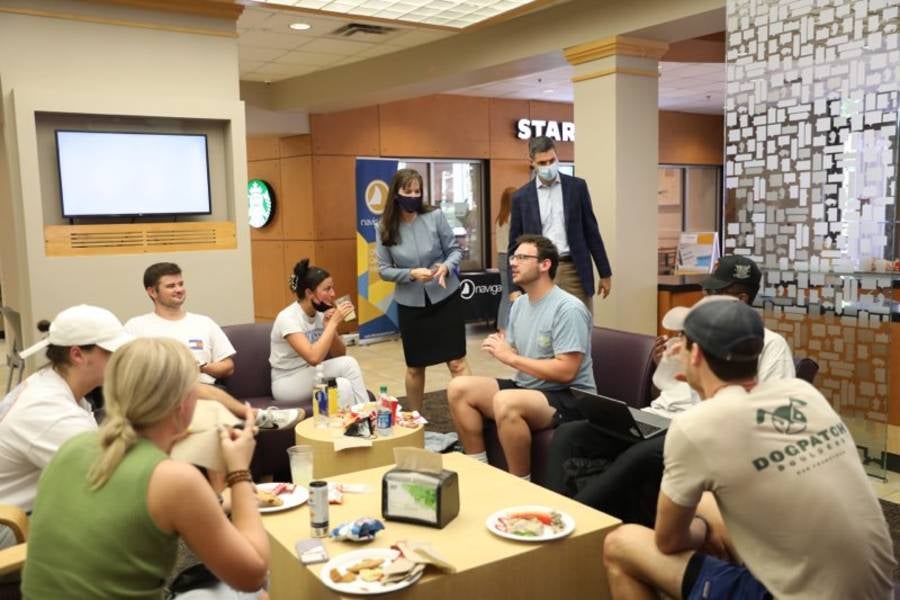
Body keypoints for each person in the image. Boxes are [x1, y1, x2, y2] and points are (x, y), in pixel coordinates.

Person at [602, 300, 895, 600]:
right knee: (704, 504)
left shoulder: (694, 426)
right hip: (879, 589)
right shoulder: (803, 393)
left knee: (620, 545)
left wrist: (701, 530)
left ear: (696, 355)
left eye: (685, 342)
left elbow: (668, 542)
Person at [546, 256, 795, 524]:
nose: (703, 298)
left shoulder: (770, 345)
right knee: (571, 433)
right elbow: (660, 396)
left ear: (741, 299)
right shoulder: (696, 333)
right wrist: (658, 367)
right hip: (655, 419)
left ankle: (564, 522)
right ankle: (547, 507)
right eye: (705, 290)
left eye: (712, 293)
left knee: (638, 457)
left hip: (699, 433)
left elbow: (769, 417)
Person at [22, 338, 270, 599]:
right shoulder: (176, 480)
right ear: (183, 403)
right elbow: (252, 575)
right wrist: (239, 471)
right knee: (258, 593)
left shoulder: (74, 446)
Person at [448, 234, 595, 481]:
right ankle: (480, 470)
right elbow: (516, 352)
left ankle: (521, 484)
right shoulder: (520, 304)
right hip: (528, 387)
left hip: (570, 397)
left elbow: (566, 371)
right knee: (459, 388)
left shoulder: (568, 308)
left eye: (522, 257)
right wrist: (505, 349)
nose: (513, 263)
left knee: (506, 401)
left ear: (545, 264)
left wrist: (510, 358)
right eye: (513, 257)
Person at [0, 305, 131, 550]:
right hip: (9, 525)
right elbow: (110, 483)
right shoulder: (50, 412)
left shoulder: (51, 384)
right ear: (77, 355)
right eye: (113, 352)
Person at [125, 262, 299, 430]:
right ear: (152, 292)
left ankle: (243, 423)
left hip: (206, 392)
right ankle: (254, 416)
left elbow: (228, 366)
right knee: (181, 383)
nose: (179, 290)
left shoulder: (203, 323)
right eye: (171, 286)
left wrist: (202, 368)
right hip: (160, 395)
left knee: (198, 398)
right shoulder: (136, 326)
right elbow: (126, 370)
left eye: (181, 284)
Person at [376, 168, 470, 411]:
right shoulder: (384, 226)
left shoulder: (435, 216)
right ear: (396, 194)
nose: (414, 196)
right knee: (415, 367)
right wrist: (410, 274)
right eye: (408, 191)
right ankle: (415, 420)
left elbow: (455, 251)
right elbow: (384, 270)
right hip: (411, 303)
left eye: (418, 191)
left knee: (457, 362)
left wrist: (445, 268)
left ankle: (473, 409)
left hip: (445, 296)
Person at [508, 136, 612, 309]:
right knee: (543, 330)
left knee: (580, 325)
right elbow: (514, 245)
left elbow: (591, 231)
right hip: (539, 271)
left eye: (552, 160)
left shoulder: (577, 187)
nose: (548, 166)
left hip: (574, 269)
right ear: (532, 162)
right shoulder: (521, 197)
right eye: (542, 163)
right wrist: (513, 287)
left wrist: (605, 273)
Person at [270, 258, 368, 406]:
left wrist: (330, 327)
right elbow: (314, 357)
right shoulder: (288, 318)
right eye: (327, 289)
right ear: (310, 293)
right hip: (287, 381)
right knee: (349, 364)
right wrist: (333, 323)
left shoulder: (321, 313)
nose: (333, 293)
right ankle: (367, 414)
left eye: (332, 288)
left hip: (312, 373)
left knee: (343, 385)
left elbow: (340, 354)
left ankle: (356, 423)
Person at [494, 186, 515, 333]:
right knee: (511, 295)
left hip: (501, 257)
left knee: (505, 294)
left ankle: (502, 328)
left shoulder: (500, 218)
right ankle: (505, 329)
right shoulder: (513, 218)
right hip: (511, 257)